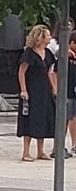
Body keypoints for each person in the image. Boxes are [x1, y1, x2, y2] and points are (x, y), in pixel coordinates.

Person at [17, 24, 58, 162]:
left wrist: (54, 88)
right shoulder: (29, 53)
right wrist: (23, 90)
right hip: (31, 90)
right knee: (29, 119)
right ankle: (26, 152)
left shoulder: (48, 53)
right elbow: (22, 71)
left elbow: (50, 72)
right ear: (40, 37)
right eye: (47, 35)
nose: (50, 37)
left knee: (43, 118)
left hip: (44, 90)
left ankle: (41, 151)